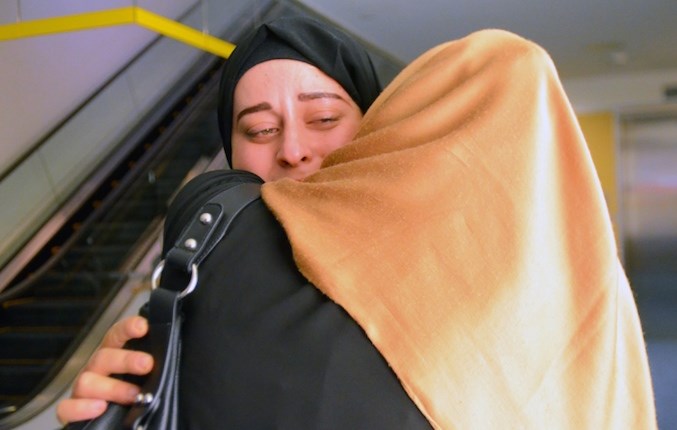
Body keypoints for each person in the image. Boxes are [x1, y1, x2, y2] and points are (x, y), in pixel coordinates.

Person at [58, 14, 657, 429]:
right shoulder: (208, 272)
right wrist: (115, 402)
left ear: (378, 132)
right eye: (260, 130)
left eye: (322, 119)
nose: (292, 150)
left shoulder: (456, 260)